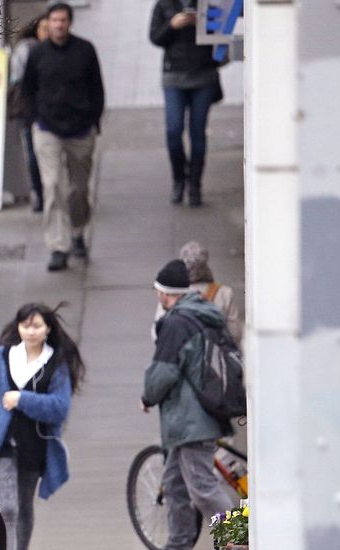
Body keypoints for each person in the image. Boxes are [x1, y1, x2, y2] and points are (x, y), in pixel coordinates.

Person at [141, 260, 235, 550]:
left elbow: (162, 373)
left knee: (203, 488)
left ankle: (242, 546)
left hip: (191, 419)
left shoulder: (176, 323)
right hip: (202, 412)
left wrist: (146, 396)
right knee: (174, 482)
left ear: (164, 294)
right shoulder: (205, 313)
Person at [0, 303, 84, 550]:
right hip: (2, 442)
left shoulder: (56, 363)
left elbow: (60, 407)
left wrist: (23, 399)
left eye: (37, 326)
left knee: (24, 505)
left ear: (48, 329)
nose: (30, 331)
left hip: (35, 444)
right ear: (18, 327)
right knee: (9, 507)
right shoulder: (4, 356)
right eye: (25, 325)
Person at [21, 2, 105, 272]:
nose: (58, 25)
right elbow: (27, 90)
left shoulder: (85, 50)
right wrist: (34, 120)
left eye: (62, 20)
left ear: (70, 22)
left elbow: (97, 89)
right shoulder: (37, 54)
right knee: (53, 185)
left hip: (80, 129)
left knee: (78, 189)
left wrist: (93, 120)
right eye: (53, 20)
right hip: (47, 129)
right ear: (47, 23)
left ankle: (78, 232)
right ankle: (58, 245)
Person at [149, 0, 225, 207]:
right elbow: (155, 37)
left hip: (203, 75)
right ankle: (178, 178)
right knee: (173, 131)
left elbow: (222, 43)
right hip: (174, 76)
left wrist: (202, 23)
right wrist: (172, 25)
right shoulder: (163, 5)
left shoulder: (210, 5)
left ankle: (195, 185)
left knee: (197, 133)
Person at [151, 241, 243, 346]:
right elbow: (235, 334)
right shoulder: (224, 293)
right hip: (213, 358)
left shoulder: (173, 294)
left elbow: (157, 334)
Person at [8, 12, 49, 213]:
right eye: (45, 29)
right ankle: (39, 192)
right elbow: (19, 80)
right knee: (33, 153)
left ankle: (48, 192)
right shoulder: (27, 50)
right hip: (31, 110)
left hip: (52, 111)